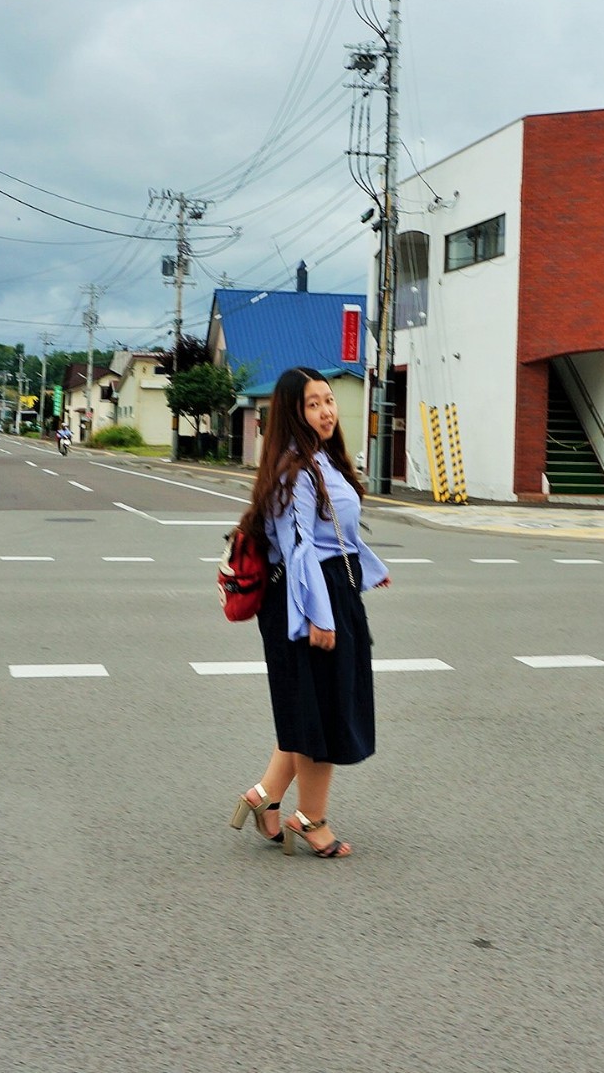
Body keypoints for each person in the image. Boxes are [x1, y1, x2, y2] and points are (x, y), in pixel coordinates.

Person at [228, 366, 389, 858]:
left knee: (311, 711)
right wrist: (319, 616)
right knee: (321, 717)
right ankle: (309, 819)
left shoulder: (322, 460)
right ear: (294, 413)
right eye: (313, 404)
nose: (325, 411)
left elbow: (338, 534)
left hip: (331, 590)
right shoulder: (294, 469)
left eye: (328, 400)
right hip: (306, 599)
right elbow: (298, 547)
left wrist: (369, 569)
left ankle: (264, 798)